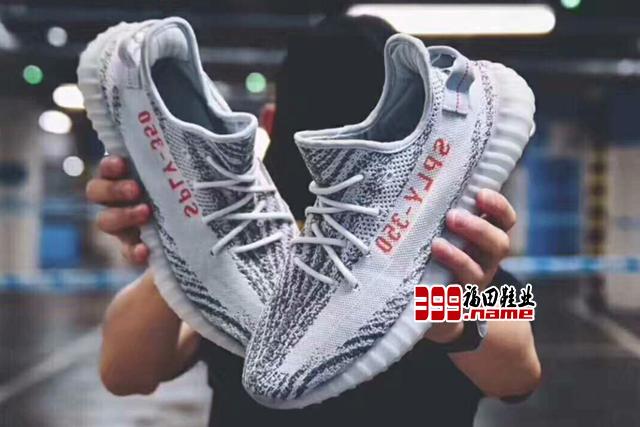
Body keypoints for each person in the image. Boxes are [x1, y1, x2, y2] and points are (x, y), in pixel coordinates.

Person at [86, 15, 540, 426]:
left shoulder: (463, 255)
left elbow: (520, 372)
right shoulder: (253, 255)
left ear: (269, 123)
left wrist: (435, 301)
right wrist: (178, 235)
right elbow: (124, 371)